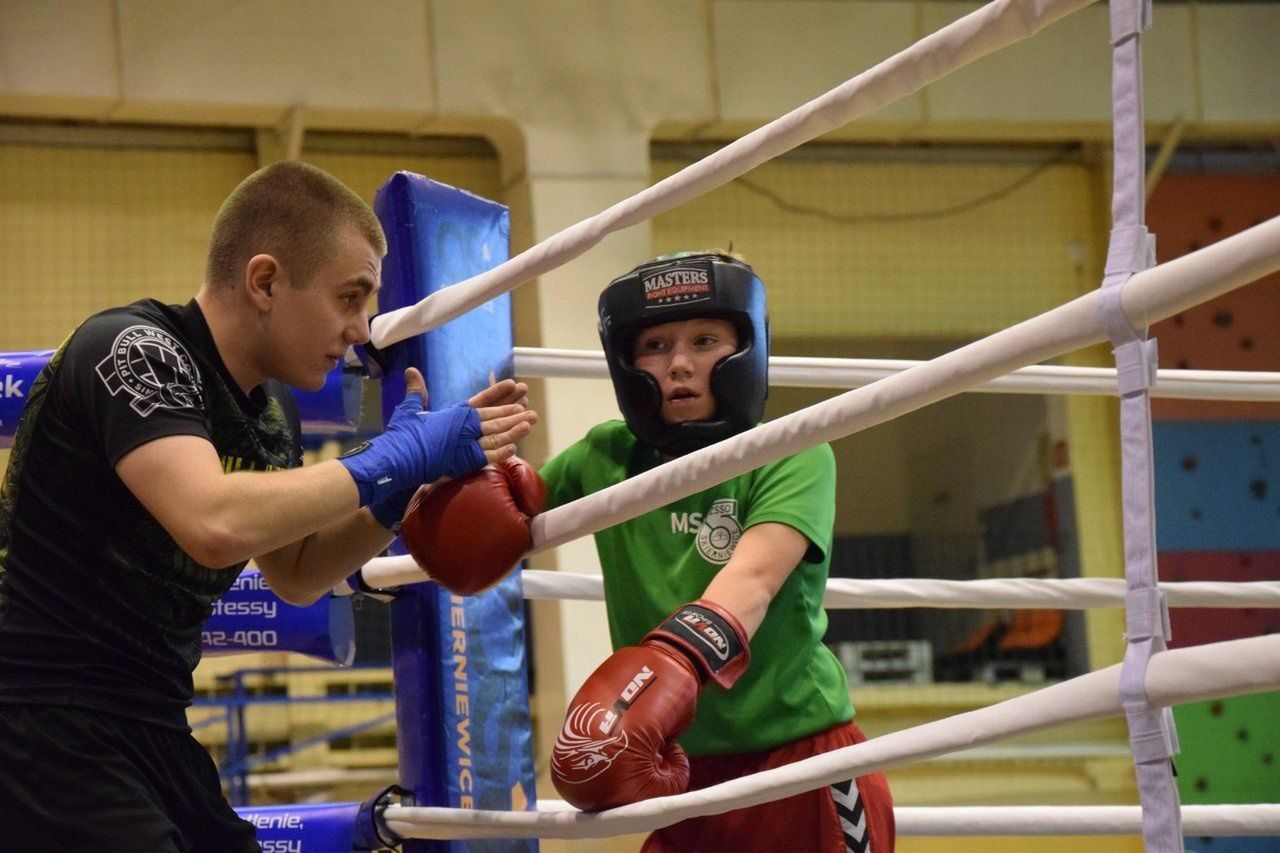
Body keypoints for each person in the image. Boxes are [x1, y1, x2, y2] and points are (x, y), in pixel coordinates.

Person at [0, 160, 536, 851]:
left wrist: (395, 496)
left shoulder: (271, 412)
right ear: (265, 280)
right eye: (349, 297)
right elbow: (213, 522)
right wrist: (390, 458)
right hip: (38, 718)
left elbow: (298, 571)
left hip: (151, 721)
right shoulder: (135, 351)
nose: (361, 329)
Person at [544, 252, 894, 852]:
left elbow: (752, 581)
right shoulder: (606, 456)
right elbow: (500, 520)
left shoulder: (791, 450)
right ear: (627, 365)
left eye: (704, 340)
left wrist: (658, 675)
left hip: (800, 763)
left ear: (744, 351)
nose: (679, 364)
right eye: (655, 346)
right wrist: (446, 459)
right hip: (680, 775)